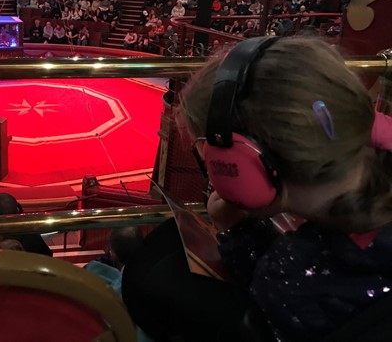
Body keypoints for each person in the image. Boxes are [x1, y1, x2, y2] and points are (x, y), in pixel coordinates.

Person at [122, 36, 392, 342]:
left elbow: (267, 281)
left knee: (151, 280)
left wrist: (234, 229)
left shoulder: (289, 279)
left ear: (241, 168)